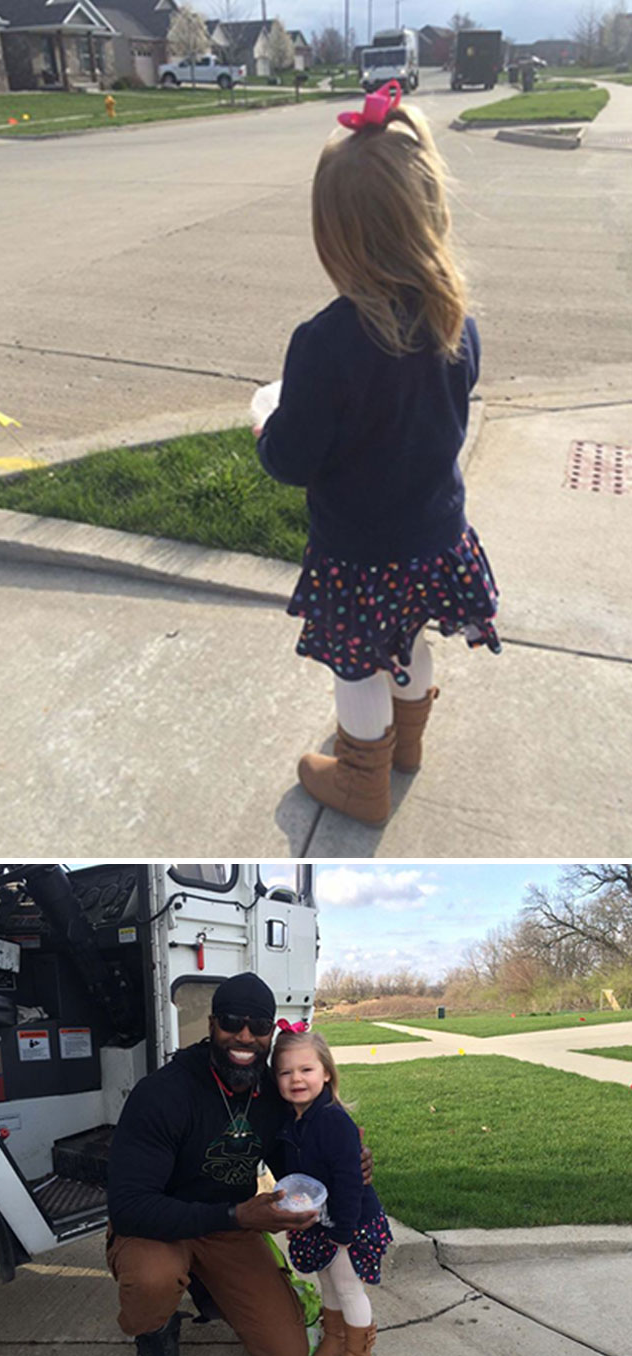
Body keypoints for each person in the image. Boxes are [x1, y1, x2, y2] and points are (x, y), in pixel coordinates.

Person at [255, 81, 501, 826]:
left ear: (335, 236)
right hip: (435, 538)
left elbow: (295, 458)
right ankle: (406, 745)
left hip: (360, 553)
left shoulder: (324, 343)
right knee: (411, 642)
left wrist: (268, 421)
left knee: (356, 664)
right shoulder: (456, 323)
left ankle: (363, 779)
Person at [106, 973, 373, 1356]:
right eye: (231, 1021)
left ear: (271, 1032)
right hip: (159, 1228)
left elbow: (294, 1160)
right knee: (153, 1279)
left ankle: (210, 1285)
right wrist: (237, 1215)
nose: (244, 1036)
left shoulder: (271, 1092)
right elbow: (128, 1207)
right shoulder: (162, 1093)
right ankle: (154, 1332)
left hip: (228, 1228)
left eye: (259, 1026)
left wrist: (345, 1163)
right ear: (212, 1024)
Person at [272, 1028, 392, 1356]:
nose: (296, 1079)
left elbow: (349, 1180)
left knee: (348, 1286)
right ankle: (335, 1337)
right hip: (320, 1221)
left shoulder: (333, 1120)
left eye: (306, 1070)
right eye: (285, 1072)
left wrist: (344, 1231)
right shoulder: (293, 1120)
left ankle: (359, 1354)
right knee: (326, 1281)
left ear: (326, 1073)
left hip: (348, 1222)